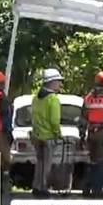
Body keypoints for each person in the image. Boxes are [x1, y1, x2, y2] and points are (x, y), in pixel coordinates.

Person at [80, 71, 103, 196]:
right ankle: (97, 189)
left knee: (90, 162)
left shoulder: (88, 97)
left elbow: (83, 118)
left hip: (91, 133)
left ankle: (86, 188)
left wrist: (82, 135)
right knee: (102, 162)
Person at [31, 68, 64, 197]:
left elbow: (34, 117)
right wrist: (58, 134)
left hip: (37, 136)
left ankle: (36, 186)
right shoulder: (52, 99)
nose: (60, 84)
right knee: (46, 164)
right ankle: (42, 188)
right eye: (58, 81)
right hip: (49, 137)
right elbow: (55, 120)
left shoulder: (36, 98)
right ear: (52, 82)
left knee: (39, 163)